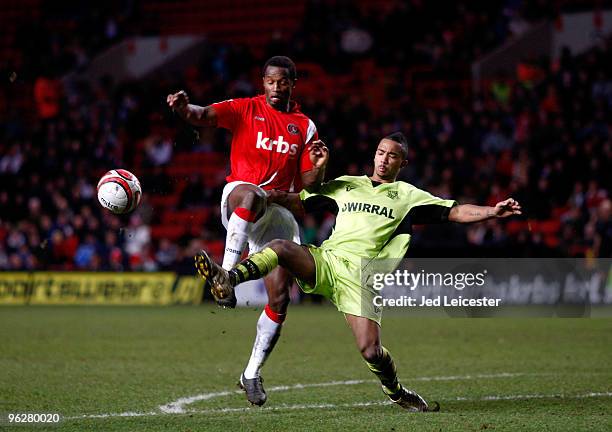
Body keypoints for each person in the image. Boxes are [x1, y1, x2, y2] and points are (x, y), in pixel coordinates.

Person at [195, 132, 522, 411]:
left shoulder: (409, 196)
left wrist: (492, 211)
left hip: (362, 280)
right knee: (280, 247)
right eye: (380, 153)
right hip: (327, 262)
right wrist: (289, 184)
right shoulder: (348, 184)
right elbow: (301, 199)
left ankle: (396, 392)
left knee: (371, 350)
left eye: (392, 156)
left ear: (401, 164)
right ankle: (229, 278)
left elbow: (456, 211)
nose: (384, 159)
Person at [166, 56, 329, 406]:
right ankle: (226, 273)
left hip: (278, 214)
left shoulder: (305, 127)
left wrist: (318, 167)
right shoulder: (245, 108)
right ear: (263, 82)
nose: (275, 87)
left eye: (282, 82)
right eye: (269, 81)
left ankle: (251, 374)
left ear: (292, 84)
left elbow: (310, 189)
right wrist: (182, 108)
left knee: (281, 299)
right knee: (253, 193)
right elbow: (202, 115)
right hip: (240, 197)